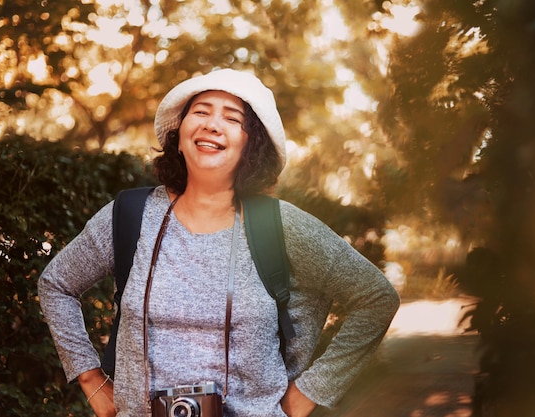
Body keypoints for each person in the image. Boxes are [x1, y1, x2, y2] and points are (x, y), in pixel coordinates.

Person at [39, 68, 400, 417]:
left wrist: (310, 393)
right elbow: (56, 284)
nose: (212, 124)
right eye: (200, 111)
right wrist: (91, 379)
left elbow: (375, 297)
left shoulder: (282, 225)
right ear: (178, 135)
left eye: (232, 118)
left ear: (250, 145)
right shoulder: (132, 214)